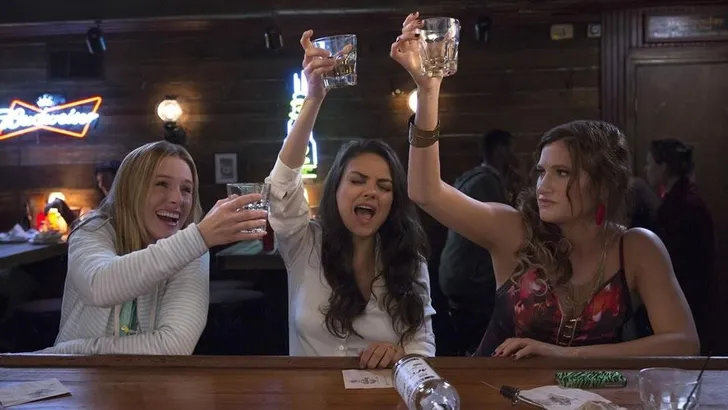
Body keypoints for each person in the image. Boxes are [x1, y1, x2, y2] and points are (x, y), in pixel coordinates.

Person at [392, 12, 699, 358]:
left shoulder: (637, 248)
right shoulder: (514, 231)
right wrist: (428, 90)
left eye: (562, 173)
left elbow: (684, 343)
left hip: (588, 389)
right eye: (541, 172)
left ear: (603, 183)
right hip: (496, 385)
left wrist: (570, 356)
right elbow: (425, 192)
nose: (543, 185)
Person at [265, 29, 436, 368]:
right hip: (310, 393)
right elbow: (282, 186)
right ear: (335, 189)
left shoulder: (408, 259)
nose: (371, 191)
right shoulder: (303, 243)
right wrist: (313, 99)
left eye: (384, 186)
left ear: (393, 201)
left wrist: (401, 356)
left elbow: (423, 345)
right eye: (357, 180)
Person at [36, 141, 268, 355]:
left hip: (149, 382)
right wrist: (198, 237)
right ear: (131, 189)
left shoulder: (193, 248)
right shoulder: (93, 230)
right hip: (77, 380)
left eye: (186, 189)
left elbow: (173, 346)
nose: (176, 199)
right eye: (161, 184)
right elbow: (99, 286)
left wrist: (70, 351)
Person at [439, 129, 518, 356]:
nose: (515, 156)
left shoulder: (470, 178)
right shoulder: (486, 184)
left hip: (453, 274)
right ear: (500, 151)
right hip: (470, 280)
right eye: (512, 149)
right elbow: (501, 236)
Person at [645, 138, 716, 354]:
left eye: (650, 163)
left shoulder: (684, 207)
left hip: (689, 298)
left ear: (664, 167)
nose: (646, 169)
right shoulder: (677, 201)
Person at [44, 160, 121, 226]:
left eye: (106, 179)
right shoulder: (106, 205)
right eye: (99, 181)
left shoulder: (118, 207)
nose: (102, 185)